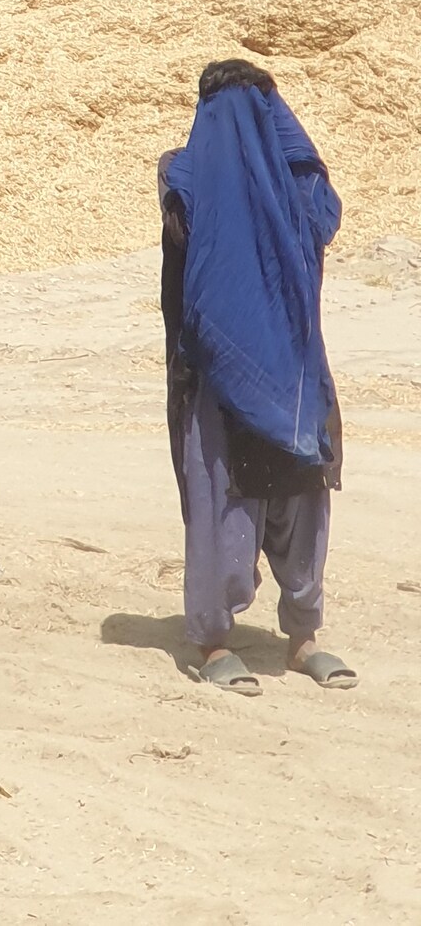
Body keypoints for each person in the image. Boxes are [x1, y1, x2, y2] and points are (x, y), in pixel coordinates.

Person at [160, 58, 354, 694]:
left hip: (294, 371)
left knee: (303, 503)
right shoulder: (185, 177)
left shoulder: (297, 185)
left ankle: (303, 638)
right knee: (223, 508)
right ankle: (214, 643)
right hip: (218, 375)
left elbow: (321, 220)